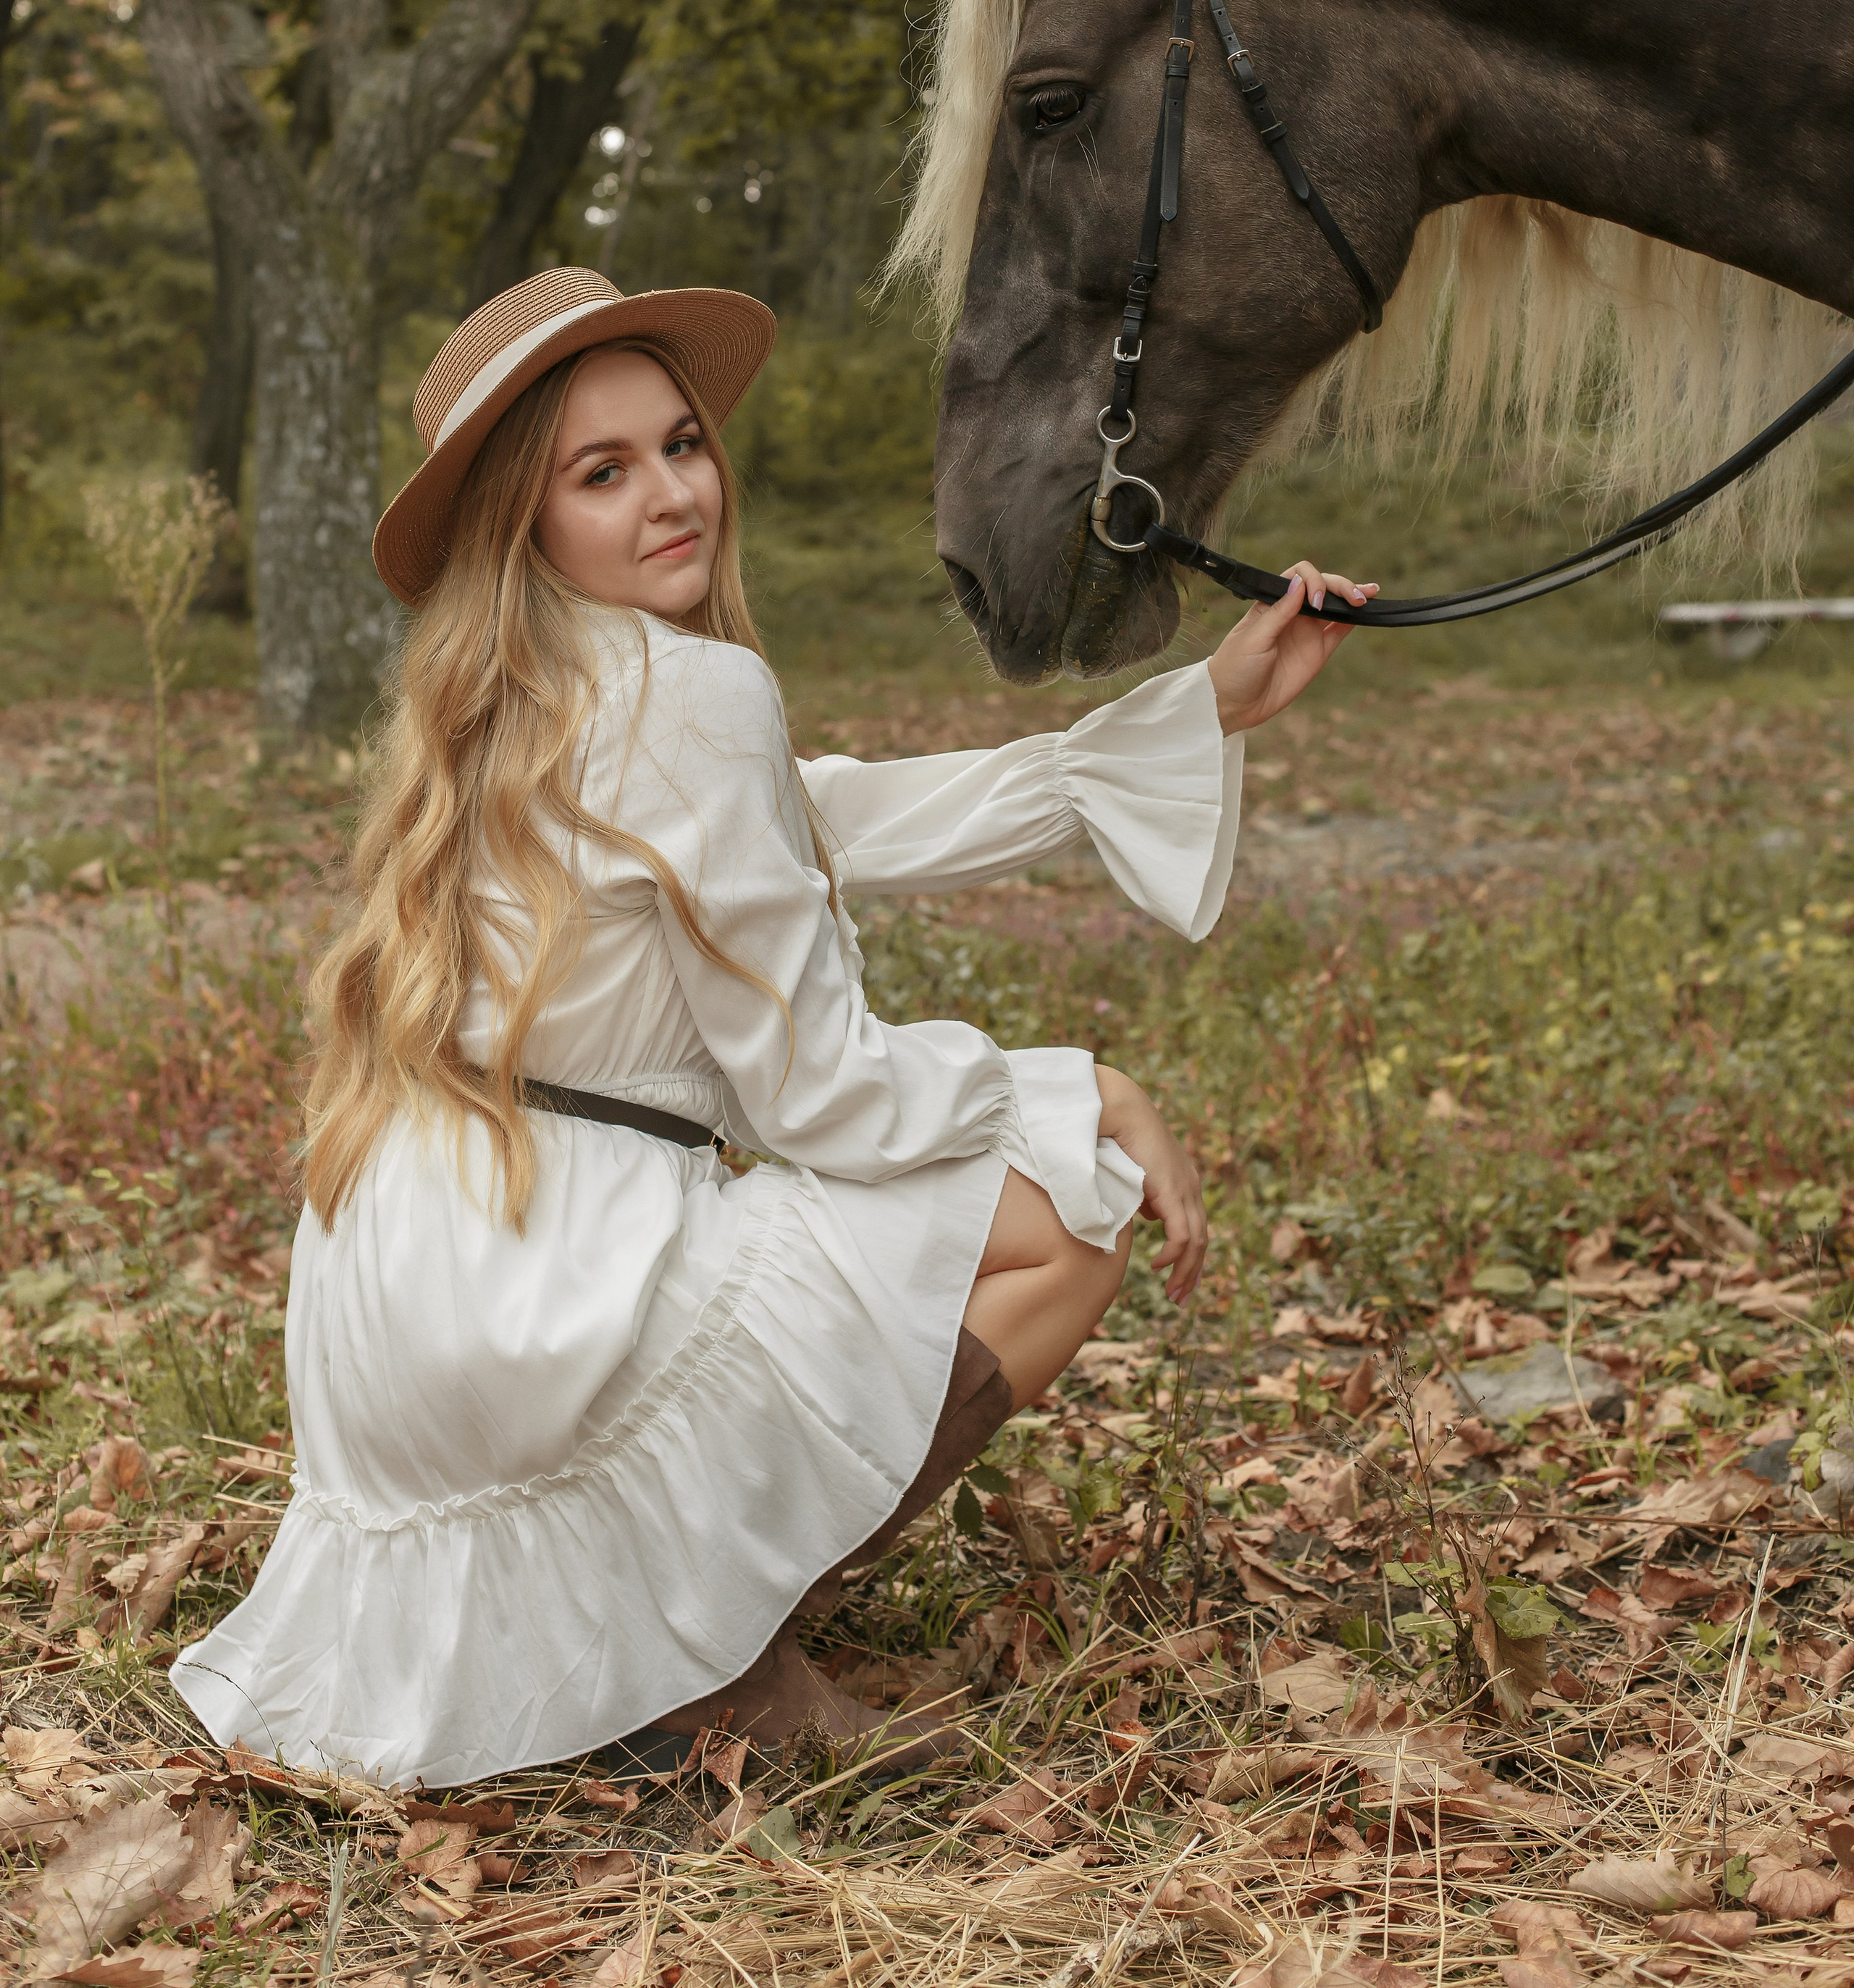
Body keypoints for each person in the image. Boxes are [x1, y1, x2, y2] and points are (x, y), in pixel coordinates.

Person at [169, 268, 1375, 1792]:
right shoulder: (684, 694)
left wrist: (1184, 709)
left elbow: (817, 809)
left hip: (413, 1301)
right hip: (548, 1287)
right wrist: (1072, 1088)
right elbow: (818, 1096)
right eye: (600, 473)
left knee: (950, 1192)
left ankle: (648, 1643)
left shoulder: (512, 690)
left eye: (678, 444)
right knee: (1074, 1210)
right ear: (523, 521)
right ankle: (713, 1669)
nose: (671, 493)